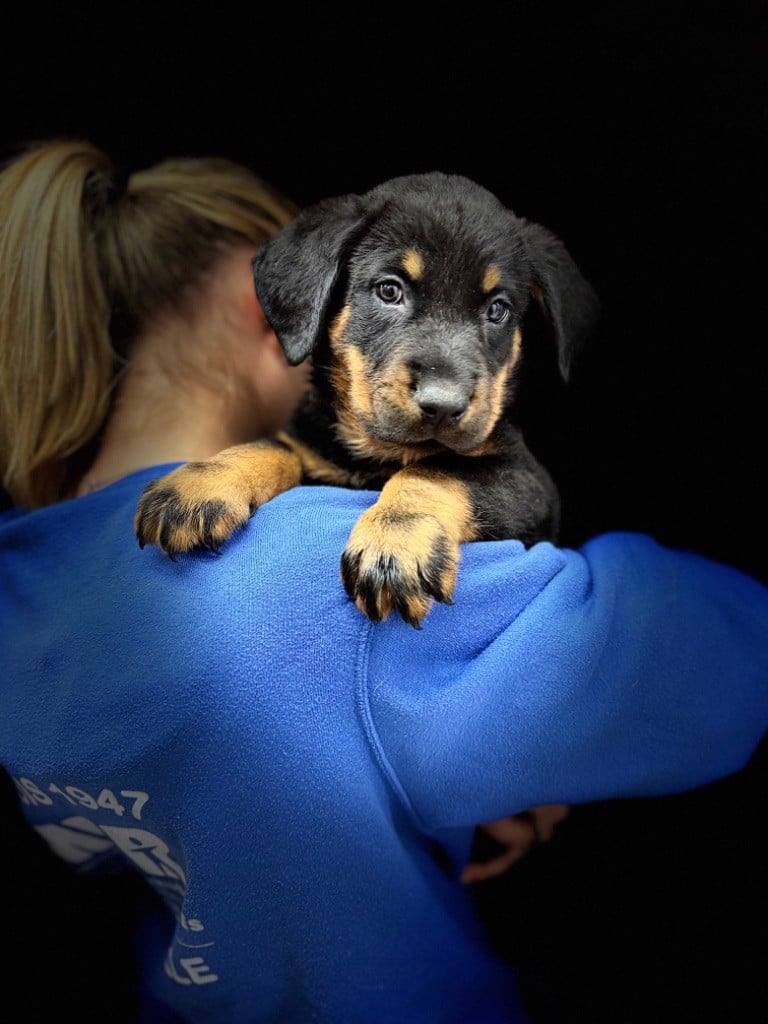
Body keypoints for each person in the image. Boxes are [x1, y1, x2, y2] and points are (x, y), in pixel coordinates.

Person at [0, 138, 766, 1024]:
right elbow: (726, 657)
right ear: (285, 305)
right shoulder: (326, 596)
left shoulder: (22, 583)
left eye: (494, 312)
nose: (443, 388)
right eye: (389, 292)